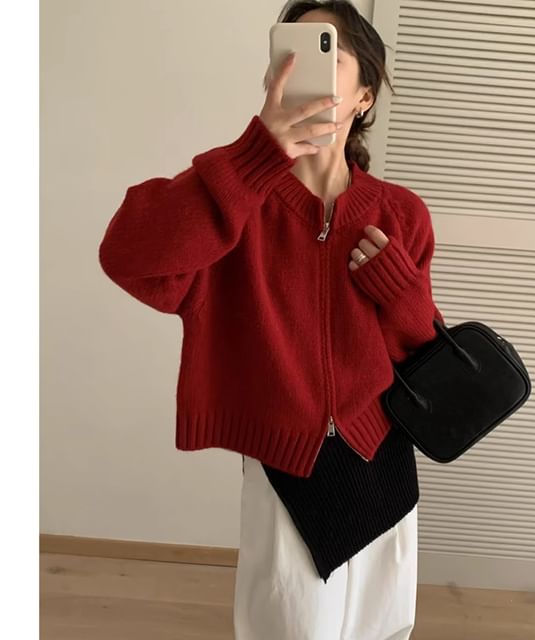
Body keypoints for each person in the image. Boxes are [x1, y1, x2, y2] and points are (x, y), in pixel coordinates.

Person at [99, 1, 444, 638]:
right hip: (284, 462)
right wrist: (252, 159)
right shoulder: (232, 201)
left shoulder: (401, 214)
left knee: (381, 625)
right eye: (290, 52)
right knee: (289, 626)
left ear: (365, 95)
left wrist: (400, 295)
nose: (302, 67)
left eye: (327, 52)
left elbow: (425, 351)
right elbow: (126, 255)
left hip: (383, 450)